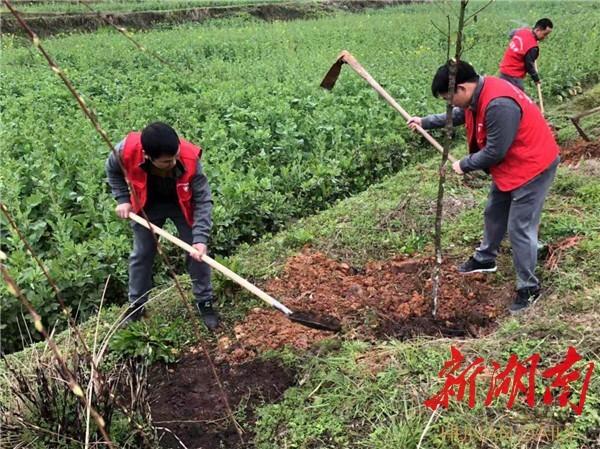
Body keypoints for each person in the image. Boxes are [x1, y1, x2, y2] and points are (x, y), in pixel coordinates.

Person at [407, 61, 560, 313]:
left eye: (449, 97)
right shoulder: (476, 95)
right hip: (511, 165)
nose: (450, 103)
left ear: (463, 88)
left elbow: (494, 151)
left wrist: (464, 164)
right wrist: (425, 121)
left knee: (519, 227)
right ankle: (485, 258)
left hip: (532, 166)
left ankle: (528, 288)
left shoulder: (499, 103)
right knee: (494, 210)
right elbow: (459, 114)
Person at [106, 122, 218, 329]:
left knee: (197, 253)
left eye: (176, 156)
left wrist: (200, 239)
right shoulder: (125, 151)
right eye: (167, 161)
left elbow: (203, 200)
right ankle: (137, 305)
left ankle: (205, 301)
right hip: (147, 205)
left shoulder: (189, 158)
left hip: (182, 203)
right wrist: (122, 198)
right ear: (148, 156)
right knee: (142, 254)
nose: (175, 162)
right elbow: (111, 170)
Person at [498, 18, 553, 91]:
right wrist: (536, 79)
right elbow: (529, 65)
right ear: (537, 30)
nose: (545, 37)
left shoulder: (522, 31)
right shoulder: (533, 47)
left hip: (503, 71)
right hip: (514, 76)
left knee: (503, 94)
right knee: (518, 98)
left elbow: (511, 33)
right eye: (545, 34)